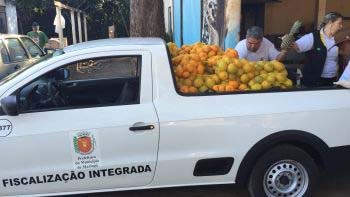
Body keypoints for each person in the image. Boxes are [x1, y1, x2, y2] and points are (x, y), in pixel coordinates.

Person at [293, 12, 344, 87]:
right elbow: (297, 47)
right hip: (314, 81)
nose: (341, 26)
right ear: (330, 23)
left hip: (333, 80)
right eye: (339, 23)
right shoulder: (313, 37)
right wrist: (288, 41)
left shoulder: (339, 38)